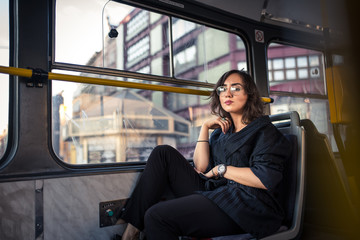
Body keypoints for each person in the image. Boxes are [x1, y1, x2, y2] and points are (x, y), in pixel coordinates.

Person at [118, 70, 291, 240]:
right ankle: (131, 231)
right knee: (162, 153)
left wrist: (221, 170)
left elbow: (264, 178)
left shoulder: (264, 132)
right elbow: (201, 167)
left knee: (156, 216)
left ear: (250, 94)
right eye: (223, 89)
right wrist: (204, 129)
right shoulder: (222, 131)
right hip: (215, 191)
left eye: (236, 88)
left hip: (246, 204)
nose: (227, 93)